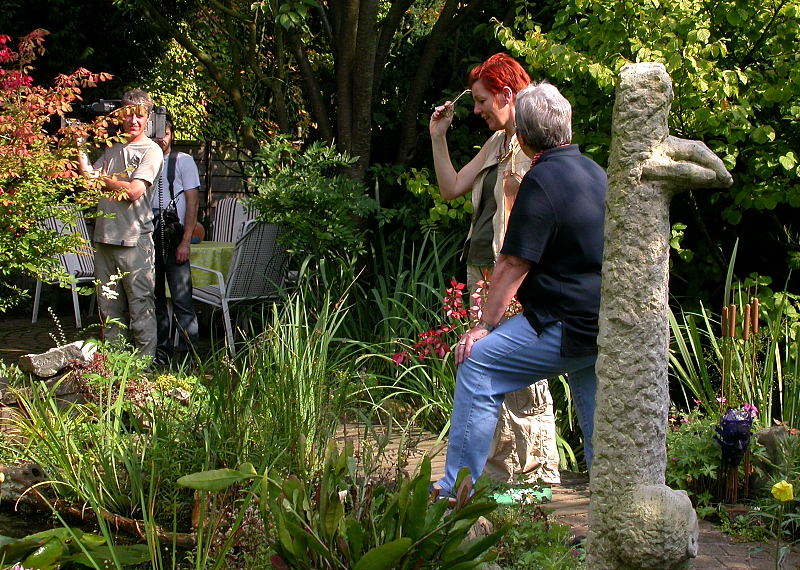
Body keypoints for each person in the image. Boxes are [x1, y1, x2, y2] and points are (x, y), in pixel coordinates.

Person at [433, 82, 607, 497]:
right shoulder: (595, 173)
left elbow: (513, 263)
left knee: (478, 365)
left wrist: (482, 327)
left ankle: (453, 494)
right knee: (600, 422)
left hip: (563, 324)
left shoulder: (541, 180)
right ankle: (612, 515)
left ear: (524, 139)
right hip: (601, 324)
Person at [429, 53, 561, 484]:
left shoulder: (535, 146)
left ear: (507, 94)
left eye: (483, 100)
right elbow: (451, 188)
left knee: (524, 383)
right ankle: (498, 479)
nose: (478, 110)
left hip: (515, 278)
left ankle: (535, 481)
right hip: (481, 272)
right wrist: (438, 138)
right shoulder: (499, 144)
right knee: (488, 377)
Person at [77, 89, 163, 358]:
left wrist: (104, 180)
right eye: (128, 115)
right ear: (121, 117)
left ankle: (143, 369)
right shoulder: (113, 148)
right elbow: (88, 180)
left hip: (135, 241)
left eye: (139, 116)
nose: (133, 121)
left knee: (140, 306)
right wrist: (79, 145)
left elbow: (133, 192)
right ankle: (115, 368)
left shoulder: (152, 150)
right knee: (108, 310)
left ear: (147, 118)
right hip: (104, 239)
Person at [151, 116, 200, 365]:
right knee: (155, 298)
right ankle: (161, 354)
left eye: (166, 133)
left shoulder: (183, 161)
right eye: (158, 133)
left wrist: (186, 241)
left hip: (174, 236)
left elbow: (193, 202)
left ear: (172, 135)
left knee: (182, 299)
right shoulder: (144, 160)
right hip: (149, 237)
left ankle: (191, 356)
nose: (161, 138)